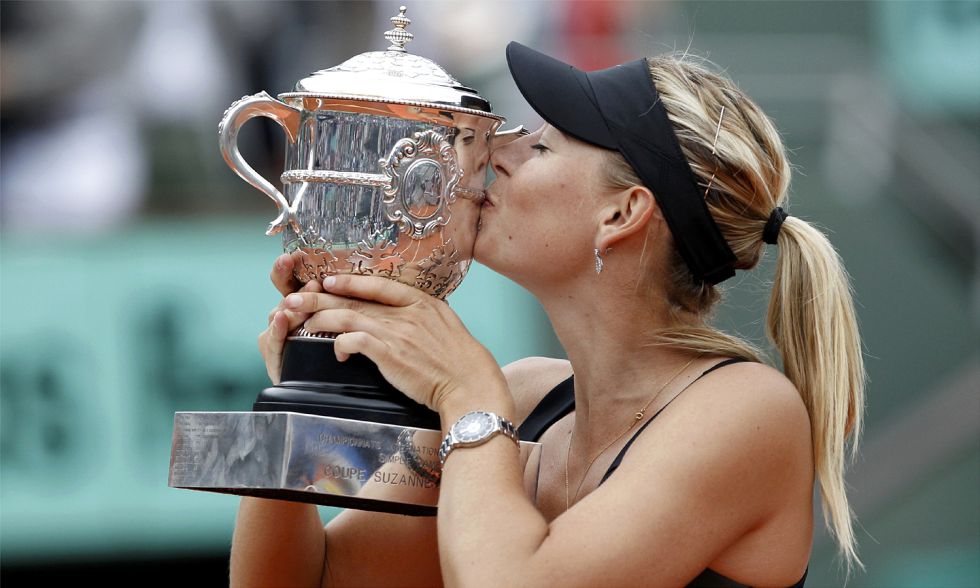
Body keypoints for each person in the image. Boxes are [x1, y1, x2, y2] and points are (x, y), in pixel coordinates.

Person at [230, 42, 865, 587]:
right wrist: (300, 395)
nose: (494, 156)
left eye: (541, 147)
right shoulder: (526, 395)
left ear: (622, 214)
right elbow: (310, 579)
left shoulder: (749, 411)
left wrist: (467, 397)